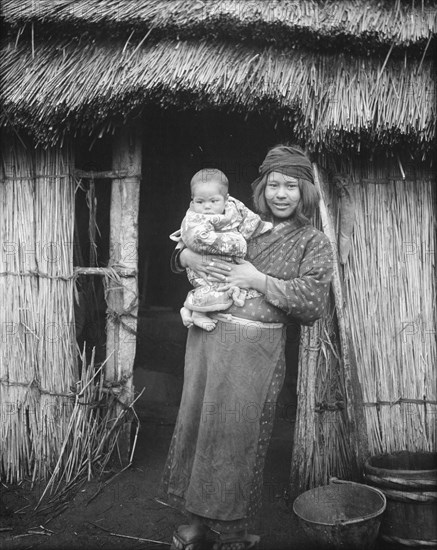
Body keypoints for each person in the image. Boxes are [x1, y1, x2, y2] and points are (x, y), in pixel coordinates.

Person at [160, 145, 334, 550]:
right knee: (198, 427)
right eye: (274, 184)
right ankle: (196, 522)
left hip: (255, 349)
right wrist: (184, 254)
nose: (281, 194)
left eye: (291, 186)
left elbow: (312, 303)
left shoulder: (313, 242)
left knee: (237, 433)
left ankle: (233, 530)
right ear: (262, 189)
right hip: (208, 337)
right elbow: (193, 243)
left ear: (305, 192)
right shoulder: (244, 223)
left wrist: (257, 279)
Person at [170, 168, 272, 331]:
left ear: (226, 199)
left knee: (224, 287)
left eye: (213, 201)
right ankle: (197, 314)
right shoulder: (194, 217)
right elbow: (193, 238)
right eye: (200, 202)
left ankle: (189, 308)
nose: (206, 207)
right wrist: (234, 243)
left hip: (225, 264)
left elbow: (248, 219)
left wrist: (261, 227)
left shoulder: (234, 209)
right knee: (214, 287)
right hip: (205, 264)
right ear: (192, 201)